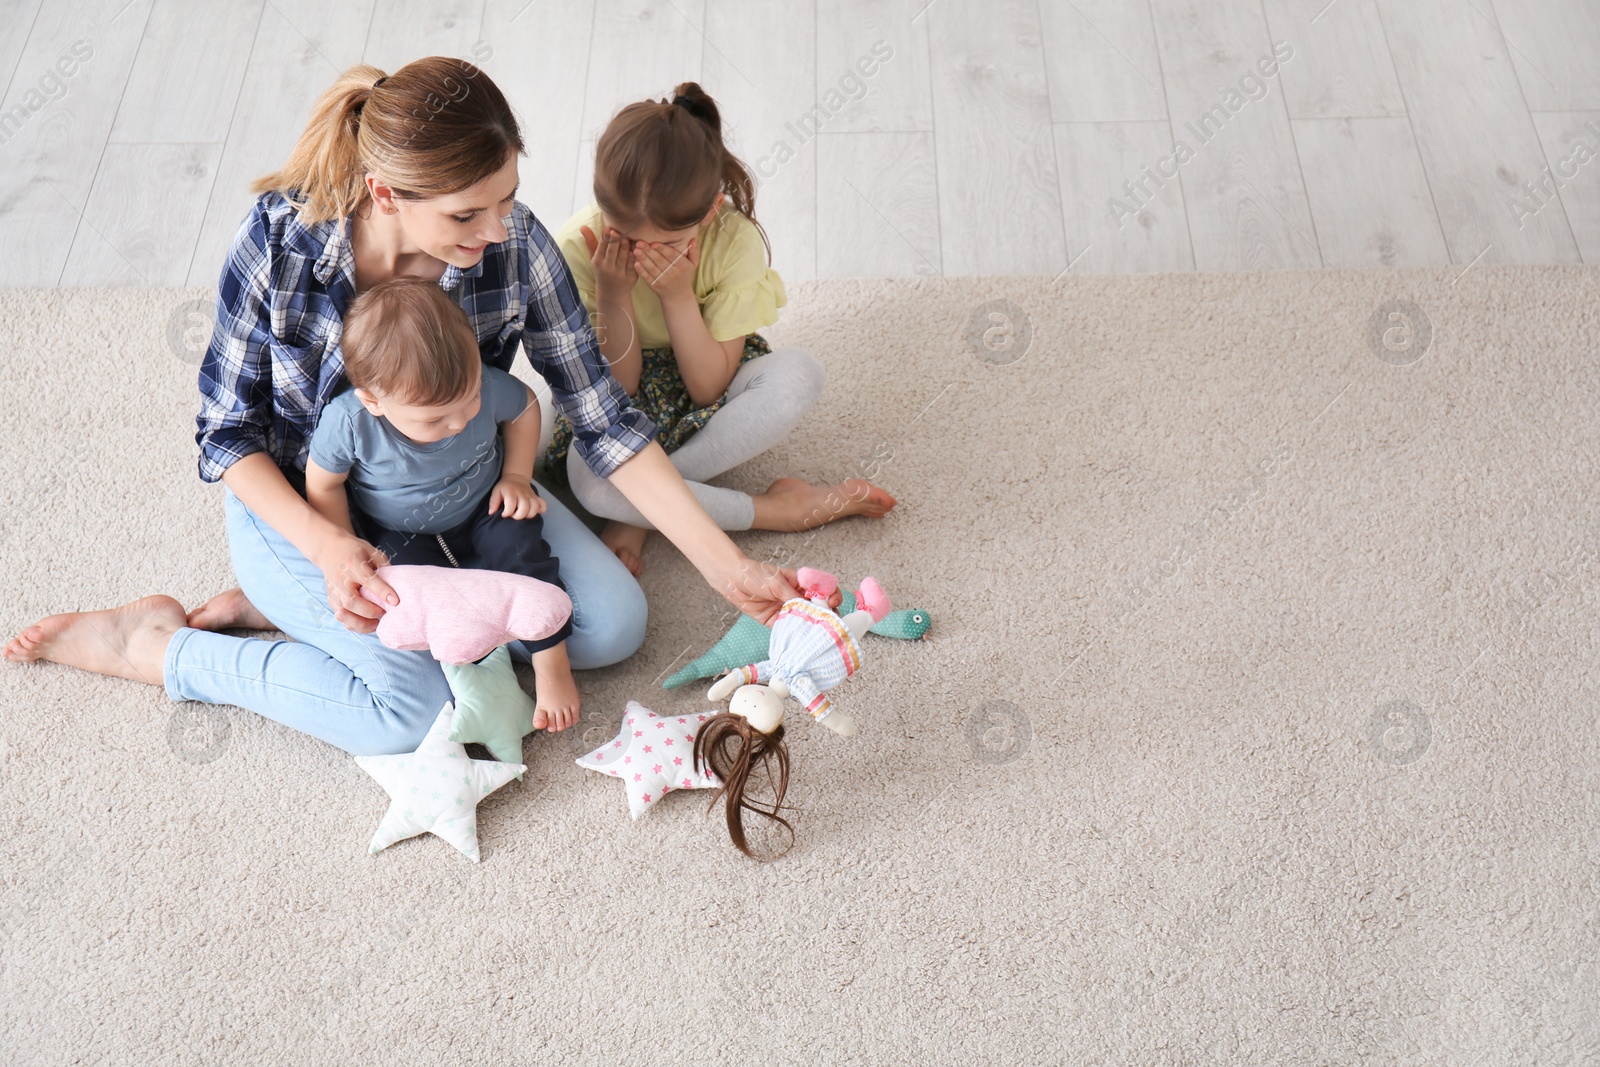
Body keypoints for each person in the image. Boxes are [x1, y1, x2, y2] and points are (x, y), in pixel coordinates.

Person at [3, 58, 801, 757]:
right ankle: (155, 645)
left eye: (508, 198)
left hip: (462, 483)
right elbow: (226, 434)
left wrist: (726, 567)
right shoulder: (279, 245)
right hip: (306, 506)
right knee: (411, 711)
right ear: (384, 191)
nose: (500, 229)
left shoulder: (513, 244)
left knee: (610, 629)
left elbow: (602, 416)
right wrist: (326, 548)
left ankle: (288, 604)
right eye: (467, 214)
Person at [546, 80, 897, 576]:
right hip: (623, 395)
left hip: (707, 367)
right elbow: (618, 387)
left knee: (801, 373)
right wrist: (613, 293)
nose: (643, 251)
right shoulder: (578, 248)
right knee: (589, 480)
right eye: (624, 234)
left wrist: (677, 295)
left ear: (710, 209)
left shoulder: (733, 240)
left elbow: (708, 385)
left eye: (666, 242)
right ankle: (773, 510)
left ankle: (644, 514)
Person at [304, 276, 579, 731]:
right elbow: (324, 484)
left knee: (520, 554)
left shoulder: (485, 387)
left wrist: (515, 477)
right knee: (404, 597)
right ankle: (474, 677)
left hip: (484, 505)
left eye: (469, 399)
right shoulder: (348, 423)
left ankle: (553, 666)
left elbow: (526, 406)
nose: (459, 421)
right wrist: (345, 544)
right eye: (434, 418)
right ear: (373, 400)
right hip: (398, 530)